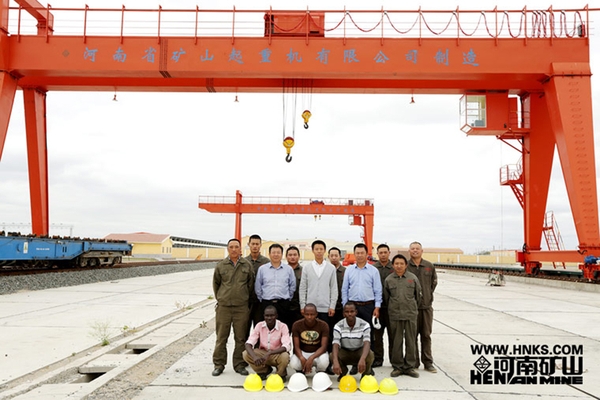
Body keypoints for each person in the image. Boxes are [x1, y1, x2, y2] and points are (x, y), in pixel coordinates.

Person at [211, 238, 254, 377]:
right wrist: (222, 298)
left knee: (240, 338)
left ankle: (239, 364)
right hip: (224, 308)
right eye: (231, 247)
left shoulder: (246, 265)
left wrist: (243, 299)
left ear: (240, 249)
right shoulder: (221, 265)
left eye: (236, 247)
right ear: (228, 249)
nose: (234, 249)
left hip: (241, 308)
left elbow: (250, 285)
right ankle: (219, 365)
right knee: (221, 337)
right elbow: (216, 284)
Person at [384, 254, 422, 378]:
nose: (399, 266)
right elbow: (386, 298)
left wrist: (412, 308)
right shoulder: (389, 280)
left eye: (401, 264)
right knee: (396, 342)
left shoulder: (413, 278)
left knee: (411, 341)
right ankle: (397, 366)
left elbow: (418, 296)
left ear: (406, 265)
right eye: (396, 263)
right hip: (395, 315)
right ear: (393, 265)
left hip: (410, 314)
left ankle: (409, 367)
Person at [407, 241, 438, 373]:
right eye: (412, 249)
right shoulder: (405, 266)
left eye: (417, 249)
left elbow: (433, 283)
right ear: (409, 251)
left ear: (422, 251)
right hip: (411, 308)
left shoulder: (429, 266)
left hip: (426, 307)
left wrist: (427, 295)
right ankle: (414, 362)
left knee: (426, 335)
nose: (415, 250)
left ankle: (428, 362)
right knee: (412, 336)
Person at [243, 305, 291, 381]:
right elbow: (248, 343)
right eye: (267, 316)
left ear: (276, 316)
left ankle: (280, 374)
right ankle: (263, 371)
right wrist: (255, 357)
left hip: (277, 354)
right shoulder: (259, 325)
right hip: (263, 354)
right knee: (246, 354)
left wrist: (270, 353)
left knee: (285, 356)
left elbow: (286, 346)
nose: (269, 318)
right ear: (264, 316)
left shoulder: (283, 326)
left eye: (272, 315)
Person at [255, 243, 296, 331]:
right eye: (273, 252)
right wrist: (262, 299)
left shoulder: (288, 269)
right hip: (267, 303)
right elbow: (258, 286)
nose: (276, 255)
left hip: (283, 303)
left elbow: (292, 286)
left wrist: (287, 298)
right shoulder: (262, 269)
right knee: (266, 329)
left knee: (283, 328)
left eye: (278, 252)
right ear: (269, 254)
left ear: (282, 254)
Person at [299, 240, 337, 331]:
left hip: (326, 307)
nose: (319, 251)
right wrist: (303, 305)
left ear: (325, 250)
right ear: (313, 250)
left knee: (325, 331)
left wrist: (332, 306)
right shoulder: (307, 267)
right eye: (316, 249)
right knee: (310, 332)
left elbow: (334, 288)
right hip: (310, 308)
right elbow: (303, 288)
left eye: (321, 249)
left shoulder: (331, 268)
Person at [331, 301, 374, 381]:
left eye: (352, 311)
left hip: (359, 351)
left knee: (370, 354)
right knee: (332, 356)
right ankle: (342, 372)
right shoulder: (338, 326)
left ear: (356, 312)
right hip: (345, 351)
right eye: (347, 312)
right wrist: (335, 361)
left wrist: (362, 359)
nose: (349, 314)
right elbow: (335, 344)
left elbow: (367, 343)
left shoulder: (365, 324)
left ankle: (365, 375)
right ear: (343, 313)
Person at [290, 303, 330, 374]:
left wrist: (312, 357)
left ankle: (319, 372)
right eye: (307, 314)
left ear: (316, 314)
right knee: (294, 363)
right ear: (303, 314)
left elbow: (324, 347)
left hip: (317, 353)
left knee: (324, 361)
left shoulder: (323, 325)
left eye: (312, 314)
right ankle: (301, 370)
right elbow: (296, 346)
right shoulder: (296, 325)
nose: (309, 317)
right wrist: (301, 358)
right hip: (303, 352)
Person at [372, 244, 394, 367]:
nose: (383, 255)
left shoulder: (395, 267)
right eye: (381, 252)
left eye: (385, 252)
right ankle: (378, 359)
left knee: (393, 336)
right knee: (377, 336)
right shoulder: (373, 268)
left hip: (392, 308)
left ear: (389, 253)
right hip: (377, 308)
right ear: (377, 254)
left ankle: (394, 360)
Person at [245, 234, 270, 334]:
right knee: (244, 331)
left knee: (260, 331)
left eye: (257, 244)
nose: (255, 246)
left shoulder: (267, 262)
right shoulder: (244, 262)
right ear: (249, 245)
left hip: (260, 303)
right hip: (246, 302)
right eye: (253, 244)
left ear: (260, 245)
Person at [328, 247, 346, 325]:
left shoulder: (346, 271)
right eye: (331, 256)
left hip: (341, 306)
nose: (334, 258)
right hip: (328, 306)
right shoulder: (325, 271)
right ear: (328, 257)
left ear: (340, 256)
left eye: (336, 255)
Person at [286, 245, 303, 323]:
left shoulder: (304, 271)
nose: (292, 257)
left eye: (295, 255)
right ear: (286, 257)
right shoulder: (282, 270)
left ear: (299, 256)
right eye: (290, 255)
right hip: (286, 305)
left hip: (299, 306)